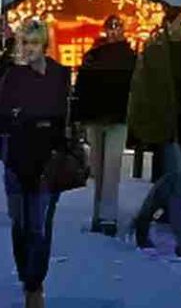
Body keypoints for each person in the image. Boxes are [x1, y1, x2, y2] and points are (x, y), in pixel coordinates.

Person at [0, 20, 70, 308]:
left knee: (40, 226)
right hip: (16, 159)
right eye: (24, 43)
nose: (28, 49)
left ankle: (34, 286)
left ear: (44, 45)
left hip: (47, 161)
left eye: (33, 43)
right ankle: (27, 276)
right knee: (20, 224)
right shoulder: (11, 76)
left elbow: (63, 116)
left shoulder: (58, 75)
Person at [127, 8, 181, 257]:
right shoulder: (155, 51)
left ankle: (142, 220)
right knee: (178, 183)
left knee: (168, 181)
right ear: (168, 24)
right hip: (164, 125)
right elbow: (141, 90)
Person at [73, 15, 136, 237]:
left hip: (100, 116)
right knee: (108, 168)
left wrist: (79, 116)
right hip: (114, 116)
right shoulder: (130, 57)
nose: (114, 31)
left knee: (102, 168)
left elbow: (81, 88)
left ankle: (102, 214)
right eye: (112, 27)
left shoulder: (95, 56)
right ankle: (106, 214)